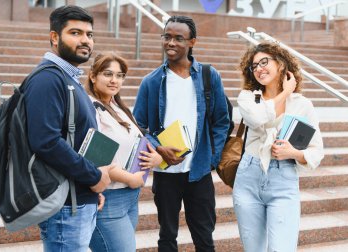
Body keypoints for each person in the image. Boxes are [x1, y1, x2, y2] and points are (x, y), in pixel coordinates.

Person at [133, 16, 230, 251]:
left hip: (199, 171)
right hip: (166, 173)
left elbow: (221, 121)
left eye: (178, 38)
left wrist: (211, 159)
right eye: (167, 37)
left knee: (204, 236)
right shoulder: (151, 82)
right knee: (167, 235)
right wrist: (158, 148)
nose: (171, 43)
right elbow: (139, 127)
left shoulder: (209, 76)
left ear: (192, 42)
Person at [24, 5, 115, 252]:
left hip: (78, 198)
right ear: (54, 37)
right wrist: (93, 177)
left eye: (89, 34)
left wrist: (89, 187)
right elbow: (46, 141)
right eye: (75, 33)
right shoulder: (48, 79)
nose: (85, 40)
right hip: (65, 206)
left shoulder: (69, 78)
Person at [233, 42, 324, 252]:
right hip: (249, 177)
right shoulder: (248, 97)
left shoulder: (302, 105)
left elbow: (316, 150)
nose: (258, 69)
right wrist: (285, 92)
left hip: (283, 181)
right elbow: (257, 117)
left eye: (264, 62)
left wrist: (293, 153)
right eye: (254, 66)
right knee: (253, 248)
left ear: (281, 64)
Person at [86, 52, 163, 252]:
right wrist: (130, 179)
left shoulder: (117, 106)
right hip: (109, 198)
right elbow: (94, 158)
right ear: (93, 76)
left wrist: (154, 157)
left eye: (120, 75)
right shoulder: (90, 108)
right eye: (108, 74)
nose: (114, 80)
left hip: (129, 197)